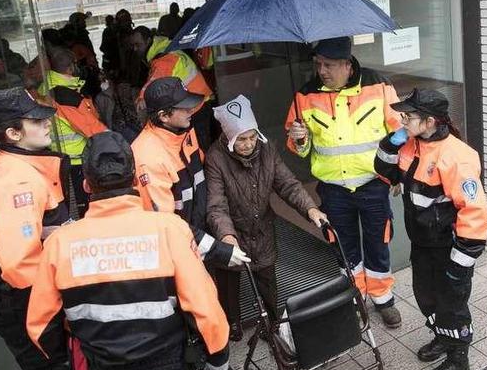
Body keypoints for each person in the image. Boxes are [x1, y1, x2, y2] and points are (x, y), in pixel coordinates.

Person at [26, 131, 236, 370]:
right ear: (136, 178)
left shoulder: (59, 244)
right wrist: (218, 362)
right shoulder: (170, 229)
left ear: (87, 186)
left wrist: (74, 363)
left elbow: (41, 325)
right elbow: (203, 306)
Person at [0, 87, 79, 370]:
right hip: (26, 300)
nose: (46, 125)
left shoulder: (6, 165)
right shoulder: (18, 180)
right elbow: (20, 266)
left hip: (15, 299)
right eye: (36, 121)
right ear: (13, 133)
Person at [373, 88, 487, 370]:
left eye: (408, 116)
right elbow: (385, 172)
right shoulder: (412, 145)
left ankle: (458, 358)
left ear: (429, 121)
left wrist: (460, 265)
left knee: (451, 304)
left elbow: (474, 214)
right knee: (426, 297)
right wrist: (391, 141)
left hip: (449, 248)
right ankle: (441, 337)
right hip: (423, 243)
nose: (402, 121)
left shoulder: (457, 157)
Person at [284, 36, 403, 328]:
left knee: (378, 241)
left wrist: (397, 172)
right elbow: (298, 145)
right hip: (334, 188)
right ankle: (355, 293)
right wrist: (299, 140)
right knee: (343, 243)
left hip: (373, 183)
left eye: (328, 65)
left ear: (347, 66)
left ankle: (382, 296)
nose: (321, 71)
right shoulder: (304, 96)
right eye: (318, 64)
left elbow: (399, 132)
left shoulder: (379, 86)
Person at [206, 95, 328, 341]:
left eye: (252, 137)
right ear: (229, 138)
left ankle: (272, 324)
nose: (249, 144)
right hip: (231, 229)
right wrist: (227, 237)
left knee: (267, 279)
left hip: (261, 226)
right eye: (241, 139)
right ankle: (232, 324)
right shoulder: (216, 158)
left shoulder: (266, 148)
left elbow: (287, 184)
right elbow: (216, 205)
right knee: (229, 283)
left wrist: (311, 209)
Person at [131, 77, 248, 268]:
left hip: (198, 237)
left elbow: (204, 176)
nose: (191, 110)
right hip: (177, 253)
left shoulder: (184, 131)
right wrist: (217, 250)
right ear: (164, 116)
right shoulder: (147, 157)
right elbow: (166, 225)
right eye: (183, 107)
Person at [38, 46, 108, 216]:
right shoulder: (66, 96)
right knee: (84, 209)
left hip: (58, 157)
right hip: (76, 161)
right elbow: (94, 129)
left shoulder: (45, 87)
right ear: (71, 67)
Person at [134, 26, 216, 150]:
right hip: (199, 99)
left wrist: (141, 99)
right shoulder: (166, 48)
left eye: (138, 44)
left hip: (195, 105)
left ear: (148, 40)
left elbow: (154, 82)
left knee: (200, 146)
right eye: (133, 45)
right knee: (202, 143)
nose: (135, 49)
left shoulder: (163, 58)